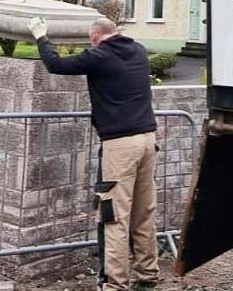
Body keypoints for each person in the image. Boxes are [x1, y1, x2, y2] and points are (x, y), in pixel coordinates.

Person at [28, 15, 160, 291]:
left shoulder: (100, 56)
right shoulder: (138, 50)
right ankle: (148, 276)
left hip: (120, 145)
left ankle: (115, 285)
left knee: (114, 215)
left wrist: (41, 36)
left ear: (95, 37)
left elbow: (56, 65)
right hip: (148, 139)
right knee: (143, 213)